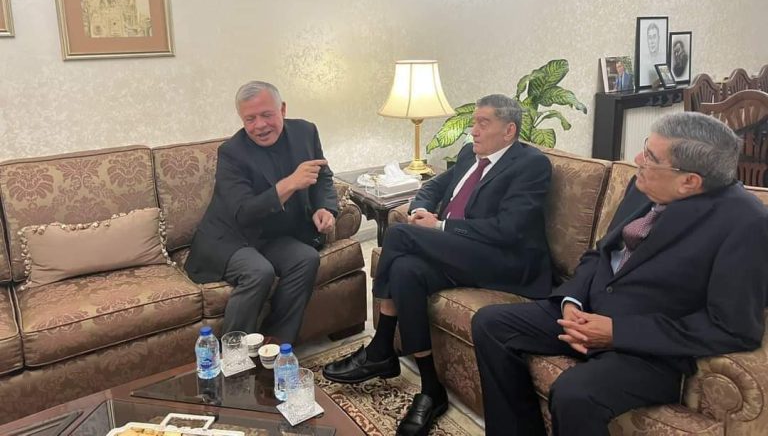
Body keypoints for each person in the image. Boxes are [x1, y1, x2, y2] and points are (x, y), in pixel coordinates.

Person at [471, 112, 768, 436]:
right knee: (491, 323)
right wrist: (571, 301)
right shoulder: (643, 186)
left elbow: (733, 328)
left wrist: (617, 332)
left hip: (646, 349)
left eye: (651, 157)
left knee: (574, 394)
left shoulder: (746, 224)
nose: (637, 159)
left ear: (689, 181)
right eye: (645, 147)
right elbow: (601, 252)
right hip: (587, 311)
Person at [323, 94, 553, 436]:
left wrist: (441, 226)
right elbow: (434, 186)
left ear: (509, 130)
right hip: (461, 251)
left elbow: (509, 229)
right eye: (473, 122)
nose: (473, 130)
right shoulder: (469, 154)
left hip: (504, 260)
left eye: (483, 123)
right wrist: (420, 209)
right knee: (405, 270)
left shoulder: (531, 165)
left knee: (399, 235)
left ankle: (381, 347)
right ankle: (431, 389)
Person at [185, 81, 337, 344]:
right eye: (250, 119)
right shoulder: (232, 153)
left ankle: (275, 343)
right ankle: (233, 352)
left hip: (273, 234)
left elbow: (322, 176)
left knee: (306, 258)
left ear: (283, 109)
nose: (260, 125)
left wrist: (325, 207)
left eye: (267, 115)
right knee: (259, 272)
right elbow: (244, 212)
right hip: (231, 236)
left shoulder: (306, 132)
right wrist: (290, 184)